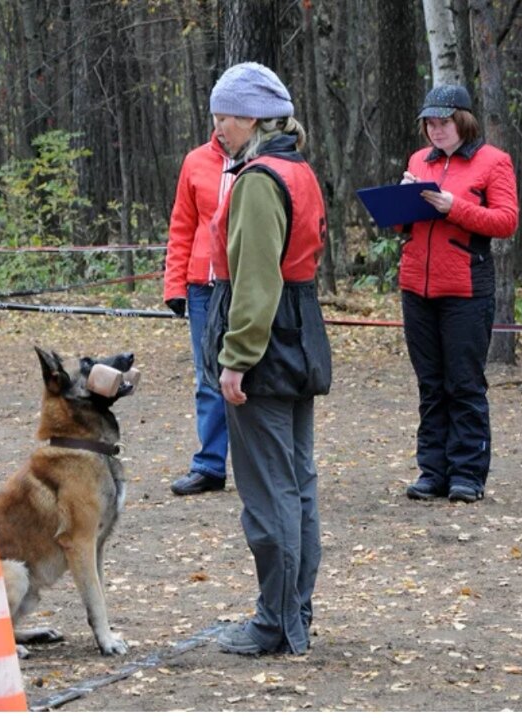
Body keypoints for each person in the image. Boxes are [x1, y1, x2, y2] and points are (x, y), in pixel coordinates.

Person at [200, 62, 332, 656]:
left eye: (223, 116)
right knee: (297, 486)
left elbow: (255, 282)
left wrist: (236, 358)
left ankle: (275, 623)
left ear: (251, 116)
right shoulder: (296, 169)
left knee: (270, 492)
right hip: (299, 339)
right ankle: (293, 613)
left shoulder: (258, 179)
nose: (217, 128)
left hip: (267, 349)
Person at [398, 84, 519, 504]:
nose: (436, 130)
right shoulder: (419, 160)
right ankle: (433, 471)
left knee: (463, 384)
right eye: (429, 122)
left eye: (443, 122)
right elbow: (406, 226)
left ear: (463, 121)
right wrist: (401, 202)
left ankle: (467, 473)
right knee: (430, 385)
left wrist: (454, 207)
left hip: (466, 288)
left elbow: (506, 221)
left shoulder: (494, 162)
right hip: (416, 286)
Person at [163, 128, 235, 496]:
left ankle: (256, 464)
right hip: (202, 289)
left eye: (230, 115)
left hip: (242, 285)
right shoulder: (195, 161)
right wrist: (174, 284)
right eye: (218, 116)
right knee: (208, 377)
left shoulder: (259, 161)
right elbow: (182, 226)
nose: (224, 124)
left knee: (248, 375)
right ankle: (209, 464)